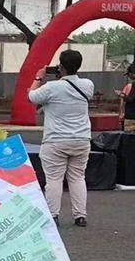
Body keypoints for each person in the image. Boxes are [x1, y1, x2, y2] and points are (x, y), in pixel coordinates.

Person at [29, 48, 95, 227]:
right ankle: (80, 216)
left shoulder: (51, 87)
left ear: (61, 67)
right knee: (77, 177)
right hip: (81, 139)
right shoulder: (88, 85)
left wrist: (38, 78)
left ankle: (53, 215)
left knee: (54, 179)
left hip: (55, 140)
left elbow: (32, 97)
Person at [118, 63, 135, 134]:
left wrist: (121, 95)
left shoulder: (131, 86)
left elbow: (130, 99)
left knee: (129, 137)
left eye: (129, 74)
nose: (128, 77)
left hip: (131, 117)